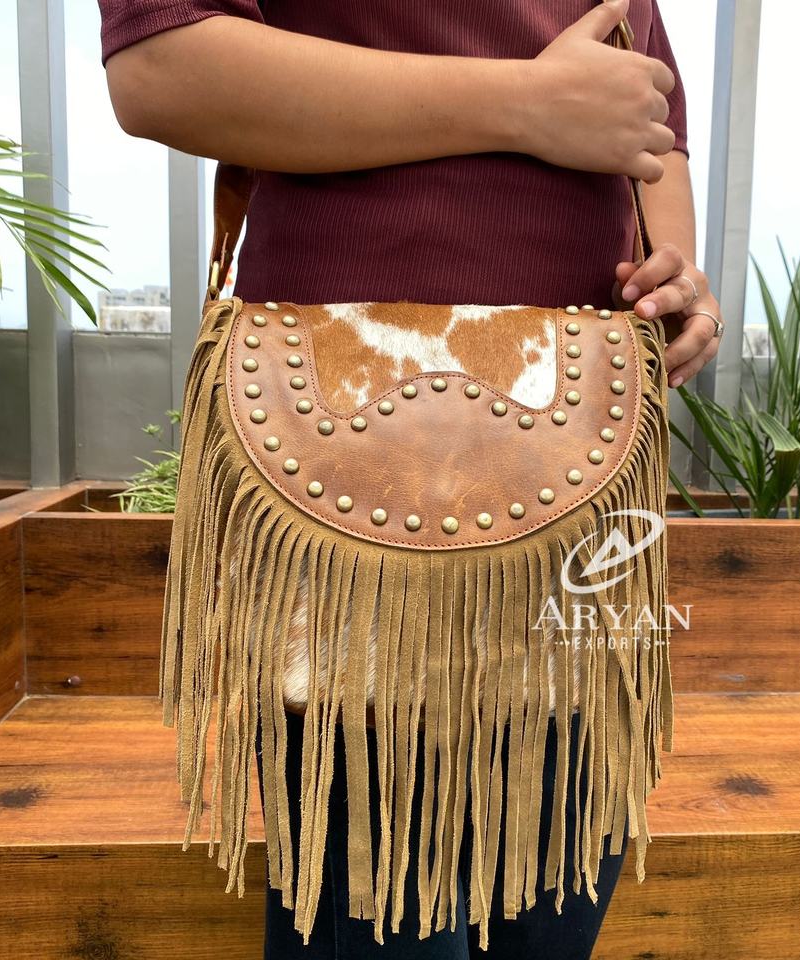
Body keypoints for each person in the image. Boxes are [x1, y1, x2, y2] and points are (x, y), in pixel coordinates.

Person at [99, 0, 723, 956]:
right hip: (346, 464)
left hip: (583, 437)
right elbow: (161, 66)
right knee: (381, 912)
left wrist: (676, 270)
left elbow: (648, 113)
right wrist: (524, 103)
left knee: (555, 905)